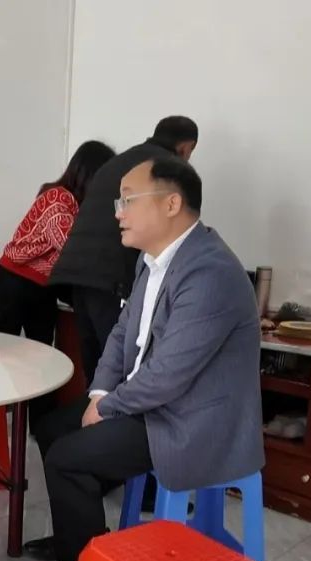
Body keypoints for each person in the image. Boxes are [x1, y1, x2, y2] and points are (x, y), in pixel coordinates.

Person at [17, 156, 264, 561]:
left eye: (128, 200)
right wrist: (98, 395)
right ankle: (80, 536)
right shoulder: (152, 263)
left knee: (68, 461)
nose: (118, 212)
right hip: (156, 405)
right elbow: (121, 335)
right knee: (52, 430)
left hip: (192, 421)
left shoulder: (210, 272)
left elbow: (169, 374)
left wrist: (110, 407)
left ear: (171, 204)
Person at [48, 117, 199, 385]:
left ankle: (96, 407)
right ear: (186, 147)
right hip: (112, 277)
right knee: (120, 366)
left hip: (76, 275)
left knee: (96, 368)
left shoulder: (118, 162)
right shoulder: (165, 171)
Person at [0, 140, 116, 346]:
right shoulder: (58, 196)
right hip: (16, 280)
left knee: (42, 353)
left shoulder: (77, 205)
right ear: (90, 173)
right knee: (5, 349)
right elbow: (68, 247)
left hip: (43, 286)